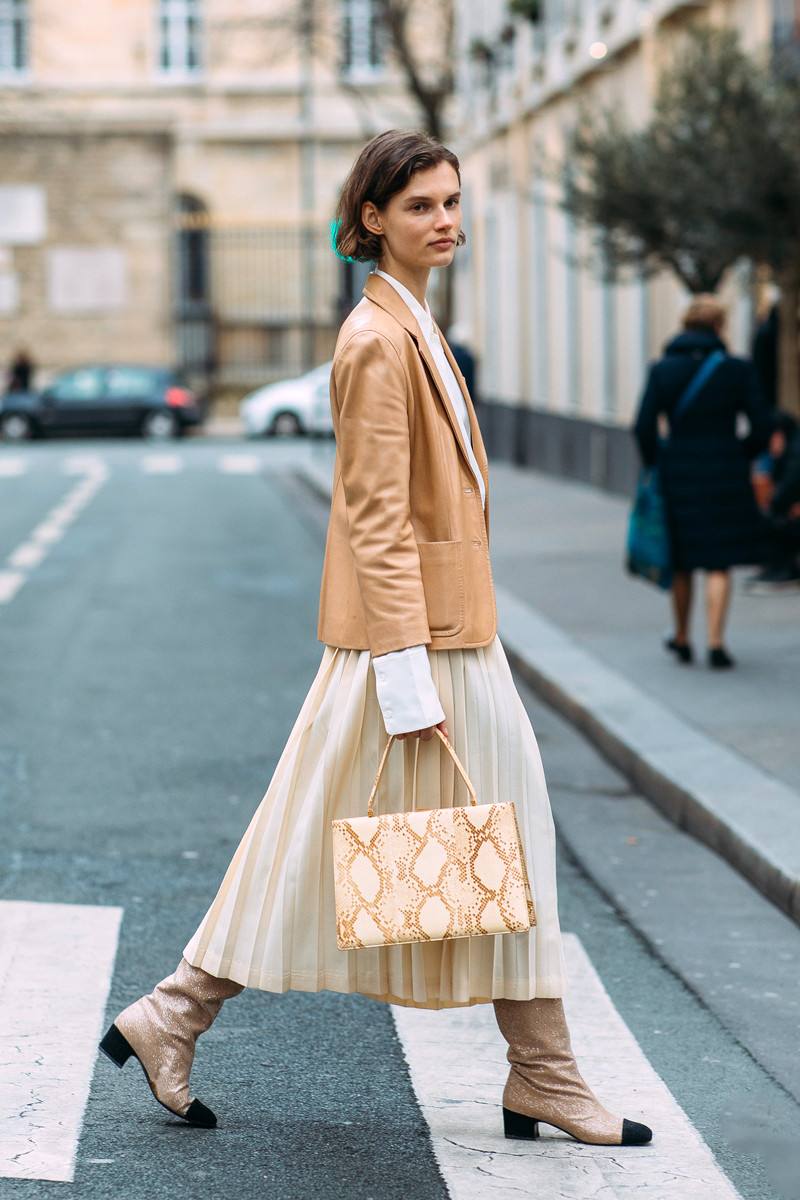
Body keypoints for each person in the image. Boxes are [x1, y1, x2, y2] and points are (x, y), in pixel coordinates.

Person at [98, 129, 652, 1149]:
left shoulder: (413, 322)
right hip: (413, 647)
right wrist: (404, 672)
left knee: (316, 837)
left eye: (449, 202)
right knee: (496, 838)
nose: (444, 220)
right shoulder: (373, 340)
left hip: (436, 636)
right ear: (370, 221)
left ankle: (174, 1016)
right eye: (419, 207)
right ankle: (544, 1075)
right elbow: (372, 516)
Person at [633, 295, 772, 669]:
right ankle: (715, 642)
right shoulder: (737, 369)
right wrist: (741, 453)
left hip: (677, 471)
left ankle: (681, 637)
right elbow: (762, 424)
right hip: (725, 471)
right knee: (718, 560)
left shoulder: (662, 370)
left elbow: (644, 425)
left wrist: (656, 461)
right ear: (719, 326)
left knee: (681, 559)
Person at [745, 412, 800, 591]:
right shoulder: (786, 452)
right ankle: (776, 567)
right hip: (791, 506)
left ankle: (784, 569)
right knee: (772, 515)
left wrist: (775, 503)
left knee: (776, 519)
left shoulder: (795, 452)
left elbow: (788, 486)